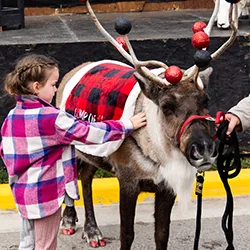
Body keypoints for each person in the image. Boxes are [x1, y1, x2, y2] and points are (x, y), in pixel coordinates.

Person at [0, 53, 147, 250]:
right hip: (46, 194)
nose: (55, 89)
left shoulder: (13, 115)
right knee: (45, 245)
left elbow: (5, 150)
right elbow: (88, 132)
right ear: (36, 87)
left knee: (28, 242)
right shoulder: (52, 118)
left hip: (22, 192)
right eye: (53, 85)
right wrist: (127, 124)